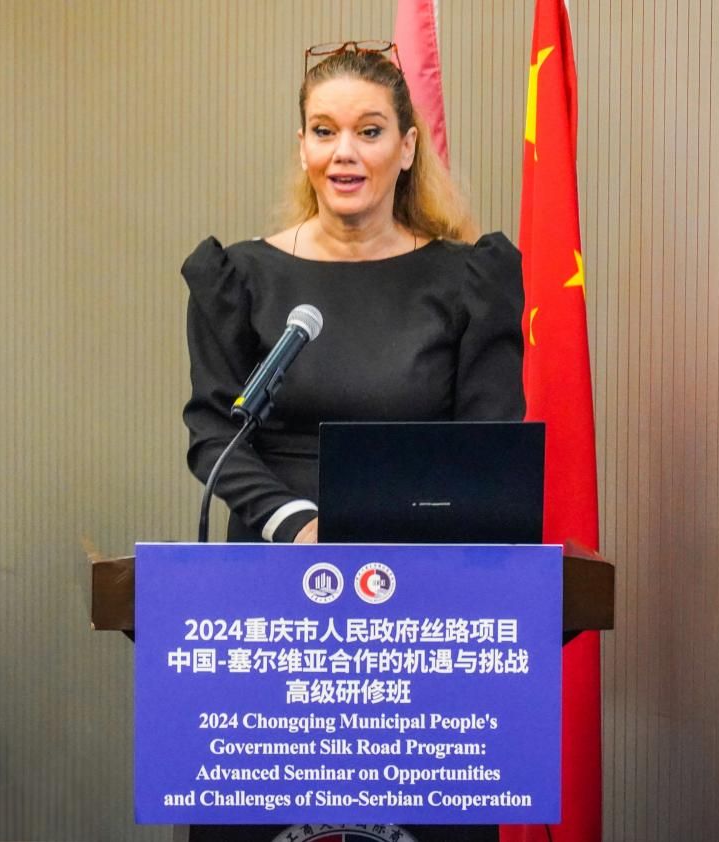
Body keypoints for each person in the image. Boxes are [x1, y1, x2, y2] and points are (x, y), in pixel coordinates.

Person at [181, 41, 524, 842]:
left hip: (419, 606)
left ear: (406, 148)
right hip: (273, 598)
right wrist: (300, 526)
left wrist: (405, 541)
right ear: (302, 145)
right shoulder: (241, 279)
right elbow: (213, 431)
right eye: (324, 130)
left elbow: (489, 441)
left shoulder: (467, 280)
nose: (345, 152)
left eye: (369, 131)